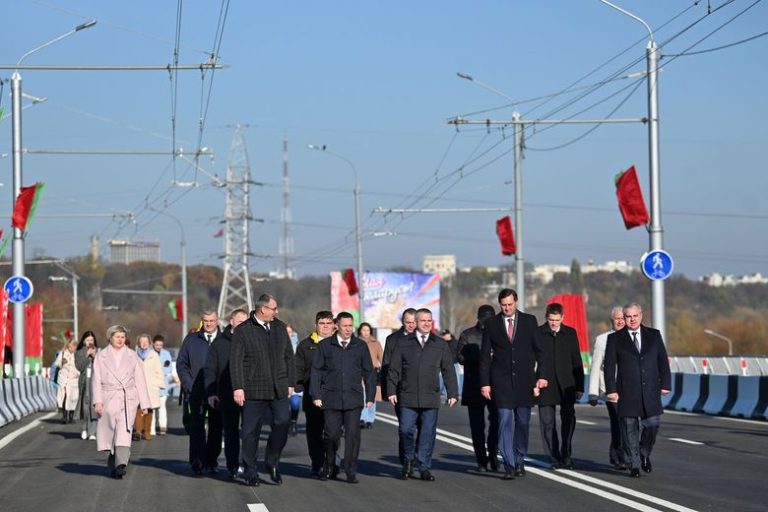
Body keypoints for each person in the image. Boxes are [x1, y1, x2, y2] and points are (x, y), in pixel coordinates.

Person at [479, 289, 548, 480]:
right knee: (504, 420)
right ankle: (509, 463)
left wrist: (541, 376)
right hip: (501, 382)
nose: (507, 308)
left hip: (525, 381)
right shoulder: (492, 324)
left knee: (523, 422)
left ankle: (519, 459)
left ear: (516, 302)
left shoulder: (529, 321)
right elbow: (485, 357)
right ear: (499, 304)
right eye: (503, 305)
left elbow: (540, 351)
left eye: (510, 304)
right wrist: (485, 383)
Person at [231, 294, 296, 487]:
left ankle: (272, 461)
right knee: (250, 431)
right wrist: (238, 387)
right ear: (263, 310)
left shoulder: (279, 327)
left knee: (283, 422)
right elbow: (235, 361)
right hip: (253, 389)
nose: (277, 312)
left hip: (278, 387)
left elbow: (289, 356)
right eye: (274, 308)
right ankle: (251, 471)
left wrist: (291, 382)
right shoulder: (243, 330)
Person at [388, 308, 458, 482]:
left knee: (427, 434)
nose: (427, 324)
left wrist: (452, 393)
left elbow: (448, 370)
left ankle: (424, 467)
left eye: (429, 321)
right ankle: (408, 460)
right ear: (416, 322)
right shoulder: (403, 343)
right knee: (405, 430)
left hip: (430, 396)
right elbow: (394, 369)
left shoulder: (440, 344)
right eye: (423, 321)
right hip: (407, 396)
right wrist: (390, 391)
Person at [604, 303, 671, 478]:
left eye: (635, 316)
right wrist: (611, 389)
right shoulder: (615, 339)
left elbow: (663, 361)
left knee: (653, 425)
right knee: (629, 429)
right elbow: (609, 367)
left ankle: (644, 452)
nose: (632, 319)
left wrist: (666, 384)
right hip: (626, 391)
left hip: (650, 390)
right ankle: (634, 465)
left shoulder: (654, 335)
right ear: (623, 318)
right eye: (628, 316)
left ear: (641, 316)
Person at [311, 312, 376, 483]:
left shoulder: (360, 346)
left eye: (350, 326)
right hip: (331, 398)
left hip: (353, 398)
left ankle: (350, 469)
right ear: (336, 326)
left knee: (353, 435)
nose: (348, 329)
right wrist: (316, 394)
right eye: (345, 326)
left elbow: (369, 372)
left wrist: (370, 396)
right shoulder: (325, 346)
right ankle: (330, 464)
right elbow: (316, 371)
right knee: (331, 435)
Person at [92, 325, 151, 479]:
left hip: (127, 399)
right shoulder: (101, 356)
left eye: (122, 337)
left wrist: (144, 404)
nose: (120, 340)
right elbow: (96, 380)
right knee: (111, 433)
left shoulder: (133, 356)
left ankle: (121, 464)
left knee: (124, 432)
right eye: (117, 336)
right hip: (108, 399)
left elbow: (140, 380)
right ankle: (114, 462)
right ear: (110, 338)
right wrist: (97, 401)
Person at [536, 303, 584, 470]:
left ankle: (566, 455)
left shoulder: (570, 333)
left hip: (567, 384)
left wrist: (580, 387)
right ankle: (554, 457)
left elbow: (577, 361)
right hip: (545, 385)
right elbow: (530, 361)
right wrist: (534, 383)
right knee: (547, 423)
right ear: (546, 317)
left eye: (557, 320)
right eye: (551, 320)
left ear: (563, 318)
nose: (554, 323)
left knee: (568, 421)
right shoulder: (538, 333)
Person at [177, 309, 224, 475]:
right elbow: (181, 364)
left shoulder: (224, 340)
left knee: (216, 429)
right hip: (196, 393)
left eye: (212, 320)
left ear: (217, 320)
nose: (209, 324)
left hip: (218, 393)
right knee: (196, 428)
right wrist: (190, 385)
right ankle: (197, 461)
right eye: (206, 320)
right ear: (202, 320)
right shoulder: (191, 340)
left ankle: (211, 461)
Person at [204, 308, 249, 479]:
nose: (243, 326)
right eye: (239, 322)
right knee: (231, 433)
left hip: (250, 395)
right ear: (232, 322)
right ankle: (232, 465)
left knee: (249, 433)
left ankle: (248, 465)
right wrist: (211, 392)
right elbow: (210, 370)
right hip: (226, 395)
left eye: (246, 323)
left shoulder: (252, 340)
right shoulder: (220, 343)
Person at [457, 304, 499, 472]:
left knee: (497, 421)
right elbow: (460, 357)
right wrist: (483, 356)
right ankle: (481, 459)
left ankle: (493, 454)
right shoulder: (468, 335)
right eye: (485, 319)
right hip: (474, 385)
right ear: (479, 319)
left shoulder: (499, 334)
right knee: (477, 426)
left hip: (495, 385)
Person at [295, 311, 336, 479]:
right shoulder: (305, 345)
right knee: (314, 432)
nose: (325, 326)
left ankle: (330, 462)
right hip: (312, 395)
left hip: (334, 396)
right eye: (322, 323)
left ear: (334, 325)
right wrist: (300, 383)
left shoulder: (339, 344)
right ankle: (317, 463)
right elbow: (298, 368)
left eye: (328, 323)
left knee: (332, 432)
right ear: (316, 325)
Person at [588, 306, 629, 470]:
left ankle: (620, 453)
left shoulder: (632, 338)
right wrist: (593, 393)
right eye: (616, 319)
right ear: (611, 321)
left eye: (622, 318)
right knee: (619, 421)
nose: (619, 322)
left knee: (628, 422)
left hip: (629, 388)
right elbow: (596, 367)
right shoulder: (602, 340)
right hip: (610, 389)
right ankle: (621, 456)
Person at [381, 308, 417, 465]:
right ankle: (406, 459)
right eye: (408, 322)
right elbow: (386, 366)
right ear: (402, 322)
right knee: (405, 426)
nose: (411, 326)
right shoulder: (393, 339)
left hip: (421, 389)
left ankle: (418, 454)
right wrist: (387, 391)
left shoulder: (425, 339)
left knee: (421, 426)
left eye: (414, 322)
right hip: (400, 389)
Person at [133, 333, 164, 441]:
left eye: (146, 341)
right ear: (138, 343)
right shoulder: (134, 355)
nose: (144, 343)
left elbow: (159, 370)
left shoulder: (153, 355)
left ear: (149, 343)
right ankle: (138, 431)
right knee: (138, 408)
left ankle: (147, 431)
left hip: (151, 386)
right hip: (137, 386)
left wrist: (159, 384)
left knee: (149, 410)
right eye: (142, 342)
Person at [357, 322, 383, 429]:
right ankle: (363, 418)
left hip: (372, 373)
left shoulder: (375, 343)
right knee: (362, 396)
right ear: (360, 331)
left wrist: (383, 369)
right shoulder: (356, 343)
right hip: (359, 373)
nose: (366, 332)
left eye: (368, 330)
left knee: (372, 396)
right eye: (364, 330)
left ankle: (370, 419)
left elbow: (382, 357)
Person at [74, 331, 99, 440]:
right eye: (88, 340)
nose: (90, 342)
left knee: (94, 406)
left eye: (91, 340)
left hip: (95, 382)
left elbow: (102, 366)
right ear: (84, 341)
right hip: (84, 382)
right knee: (85, 406)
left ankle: (92, 432)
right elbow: (79, 366)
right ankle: (85, 428)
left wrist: (94, 356)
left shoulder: (99, 352)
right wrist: (87, 355)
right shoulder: (79, 352)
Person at [54, 338, 81, 424]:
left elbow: (79, 366)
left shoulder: (77, 355)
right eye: (73, 345)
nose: (74, 347)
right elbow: (57, 364)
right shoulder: (62, 354)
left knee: (73, 398)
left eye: (76, 345)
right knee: (64, 397)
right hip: (63, 379)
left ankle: (71, 416)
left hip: (73, 380)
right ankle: (65, 416)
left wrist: (78, 373)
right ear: (69, 345)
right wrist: (62, 362)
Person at [152, 334, 173, 436]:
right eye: (157, 345)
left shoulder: (166, 354)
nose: (159, 347)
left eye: (160, 345)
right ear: (153, 344)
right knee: (152, 408)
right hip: (152, 385)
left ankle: (163, 427)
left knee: (162, 407)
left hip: (163, 386)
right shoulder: (150, 354)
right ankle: (151, 429)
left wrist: (165, 374)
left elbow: (169, 368)